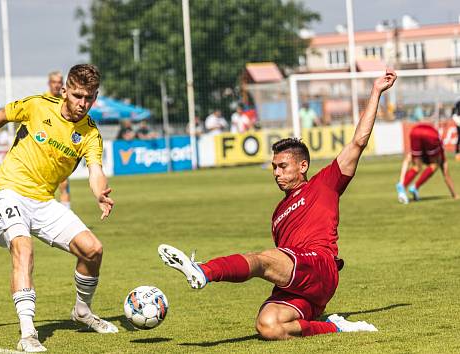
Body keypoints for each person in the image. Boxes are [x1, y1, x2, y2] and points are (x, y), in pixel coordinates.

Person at [158, 69, 398, 340]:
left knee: (262, 259)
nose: (276, 172)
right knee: (268, 326)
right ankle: (337, 326)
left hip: (319, 265)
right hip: (300, 282)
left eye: (283, 166)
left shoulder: (325, 183)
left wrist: (376, 91)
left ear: (303, 166)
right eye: (274, 167)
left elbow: (358, 141)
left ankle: (204, 270)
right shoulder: (278, 213)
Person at [0, 64, 117, 352]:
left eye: (89, 98)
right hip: (9, 191)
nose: (83, 104)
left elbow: (95, 169)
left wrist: (99, 192)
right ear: (64, 91)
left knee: (93, 250)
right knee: (23, 248)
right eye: (77, 96)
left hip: (43, 202)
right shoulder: (38, 105)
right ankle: (28, 333)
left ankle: (82, 311)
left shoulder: (90, 133)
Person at [395, 122, 457, 204]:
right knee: (435, 165)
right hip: (430, 135)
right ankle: (414, 187)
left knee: (417, 167)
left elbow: (406, 161)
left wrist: (401, 181)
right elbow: (446, 176)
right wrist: (455, 195)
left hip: (414, 131)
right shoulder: (440, 154)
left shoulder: (422, 151)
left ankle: (402, 187)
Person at [45, 71, 72, 209]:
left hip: (61, 149)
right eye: (54, 82)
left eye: (59, 82)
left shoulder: (66, 101)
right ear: (49, 83)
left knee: (64, 185)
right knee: (45, 189)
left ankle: (67, 217)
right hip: (43, 151)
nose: (56, 85)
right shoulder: (43, 100)